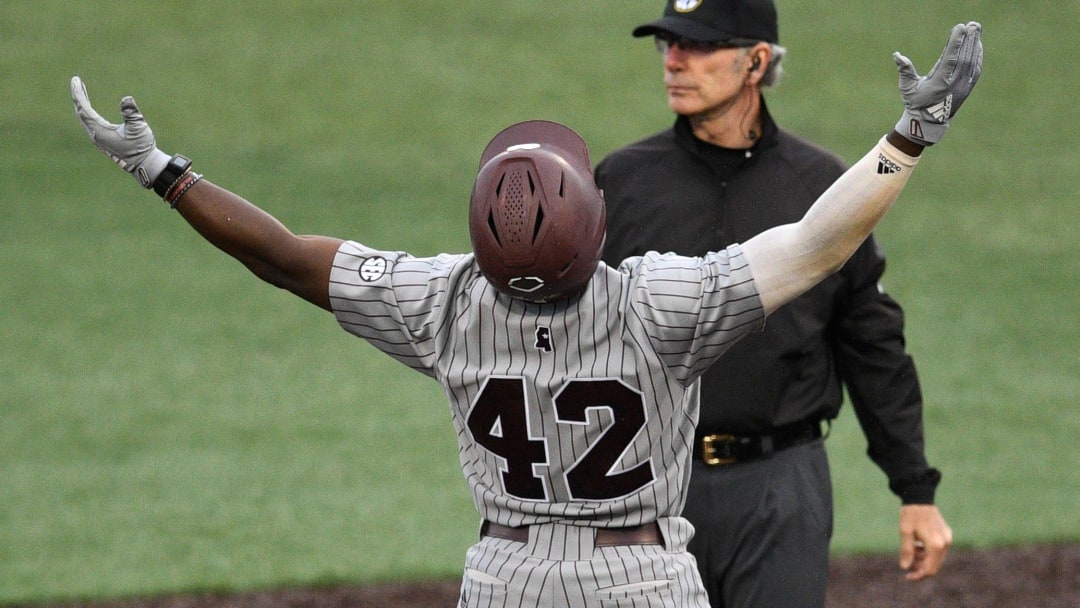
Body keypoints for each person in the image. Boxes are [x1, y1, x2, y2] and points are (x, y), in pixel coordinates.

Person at [69, 20, 980, 608]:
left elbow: (285, 257)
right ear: (597, 229)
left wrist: (165, 174)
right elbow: (819, 243)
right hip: (642, 582)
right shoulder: (659, 304)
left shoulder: (442, 298)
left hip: (505, 581)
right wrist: (909, 137)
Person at [595, 2, 968, 606]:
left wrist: (915, 488)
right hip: (646, 485)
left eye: (697, 45)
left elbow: (871, 343)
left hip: (779, 488)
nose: (674, 61)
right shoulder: (622, 181)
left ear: (756, 61)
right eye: (666, 44)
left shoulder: (820, 186)